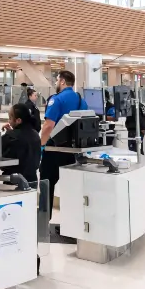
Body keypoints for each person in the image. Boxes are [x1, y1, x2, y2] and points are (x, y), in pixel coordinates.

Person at [39, 70, 89, 224]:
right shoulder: (82, 100)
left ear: (62, 81)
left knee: (46, 184)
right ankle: (72, 223)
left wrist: (40, 145)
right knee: (71, 187)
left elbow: (48, 125)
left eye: (56, 81)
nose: (55, 84)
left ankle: (43, 220)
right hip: (73, 152)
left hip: (54, 150)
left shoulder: (57, 99)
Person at [0, 103, 41, 184]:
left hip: (13, 181)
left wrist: (8, 135)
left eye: (10, 118)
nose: (9, 121)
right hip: (32, 181)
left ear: (18, 120)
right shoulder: (35, 135)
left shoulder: (10, 137)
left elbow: (2, 163)